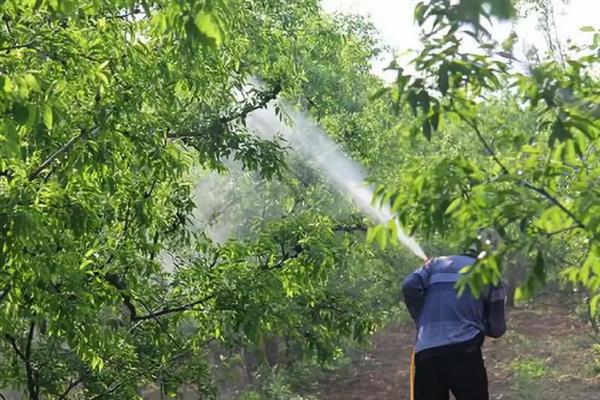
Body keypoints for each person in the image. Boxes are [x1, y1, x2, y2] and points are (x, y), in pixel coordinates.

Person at [402, 235, 507, 400]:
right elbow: (498, 328)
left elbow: (409, 285)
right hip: (464, 351)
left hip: (427, 352)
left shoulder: (435, 263)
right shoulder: (490, 274)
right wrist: (476, 322)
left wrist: (420, 318)